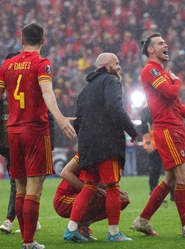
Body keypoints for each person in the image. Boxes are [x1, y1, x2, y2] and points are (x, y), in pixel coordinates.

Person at [0, 23, 77, 249]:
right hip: (35, 130)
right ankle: (28, 242)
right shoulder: (42, 64)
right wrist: (61, 118)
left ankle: (28, 241)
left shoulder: (8, 65)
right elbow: (47, 92)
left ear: (21, 41)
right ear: (43, 41)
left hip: (13, 133)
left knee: (21, 188)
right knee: (35, 188)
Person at [130, 33, 185, 238]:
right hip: (167, 129)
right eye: (160, 43)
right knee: (182, 174)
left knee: (169, 179)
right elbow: (171, 93)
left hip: (174, 128)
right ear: (151, 50)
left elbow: (176, 106)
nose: (165, 45)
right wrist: (177, 82)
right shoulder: (151, 70)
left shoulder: (161, 72)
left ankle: (142, 220)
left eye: (165, 42)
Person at [64, 52, 138, 242]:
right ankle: (114, 233)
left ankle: (71, 228)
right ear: (106, 65)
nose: (120, 67)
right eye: (117, 63)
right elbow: (115, 106)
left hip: (88, 146)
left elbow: (77, 120)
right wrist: (132, 130)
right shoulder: (111, 81)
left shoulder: (85, 89)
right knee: (113, 186)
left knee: (89, 186)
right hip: (107, 144)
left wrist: (85, 140)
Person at [0, 52, 42, 234]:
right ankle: (31, 218)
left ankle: (10, 220)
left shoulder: (28, 82)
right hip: (6, 141)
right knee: (22, 181)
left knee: (18, 182)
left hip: (23, 136)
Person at [54, 153, 130, 241]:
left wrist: (110, 189)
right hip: (63, 199)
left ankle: (83, 224)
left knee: (123, 199)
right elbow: (65, 173)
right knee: (91, 192)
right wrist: (92, 189)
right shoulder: (89, 150)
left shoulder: (106, 152)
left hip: (85, 194)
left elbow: (103, 182)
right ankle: (74, 227)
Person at [140, 104, 174, 201]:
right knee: (155, 170)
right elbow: (144, 125)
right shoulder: (147, 107)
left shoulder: (163, 103)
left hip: (167, 141)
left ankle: (174, 195)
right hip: (155, 144)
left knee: (172, 169)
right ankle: (155, 195)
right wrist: (148, 142)